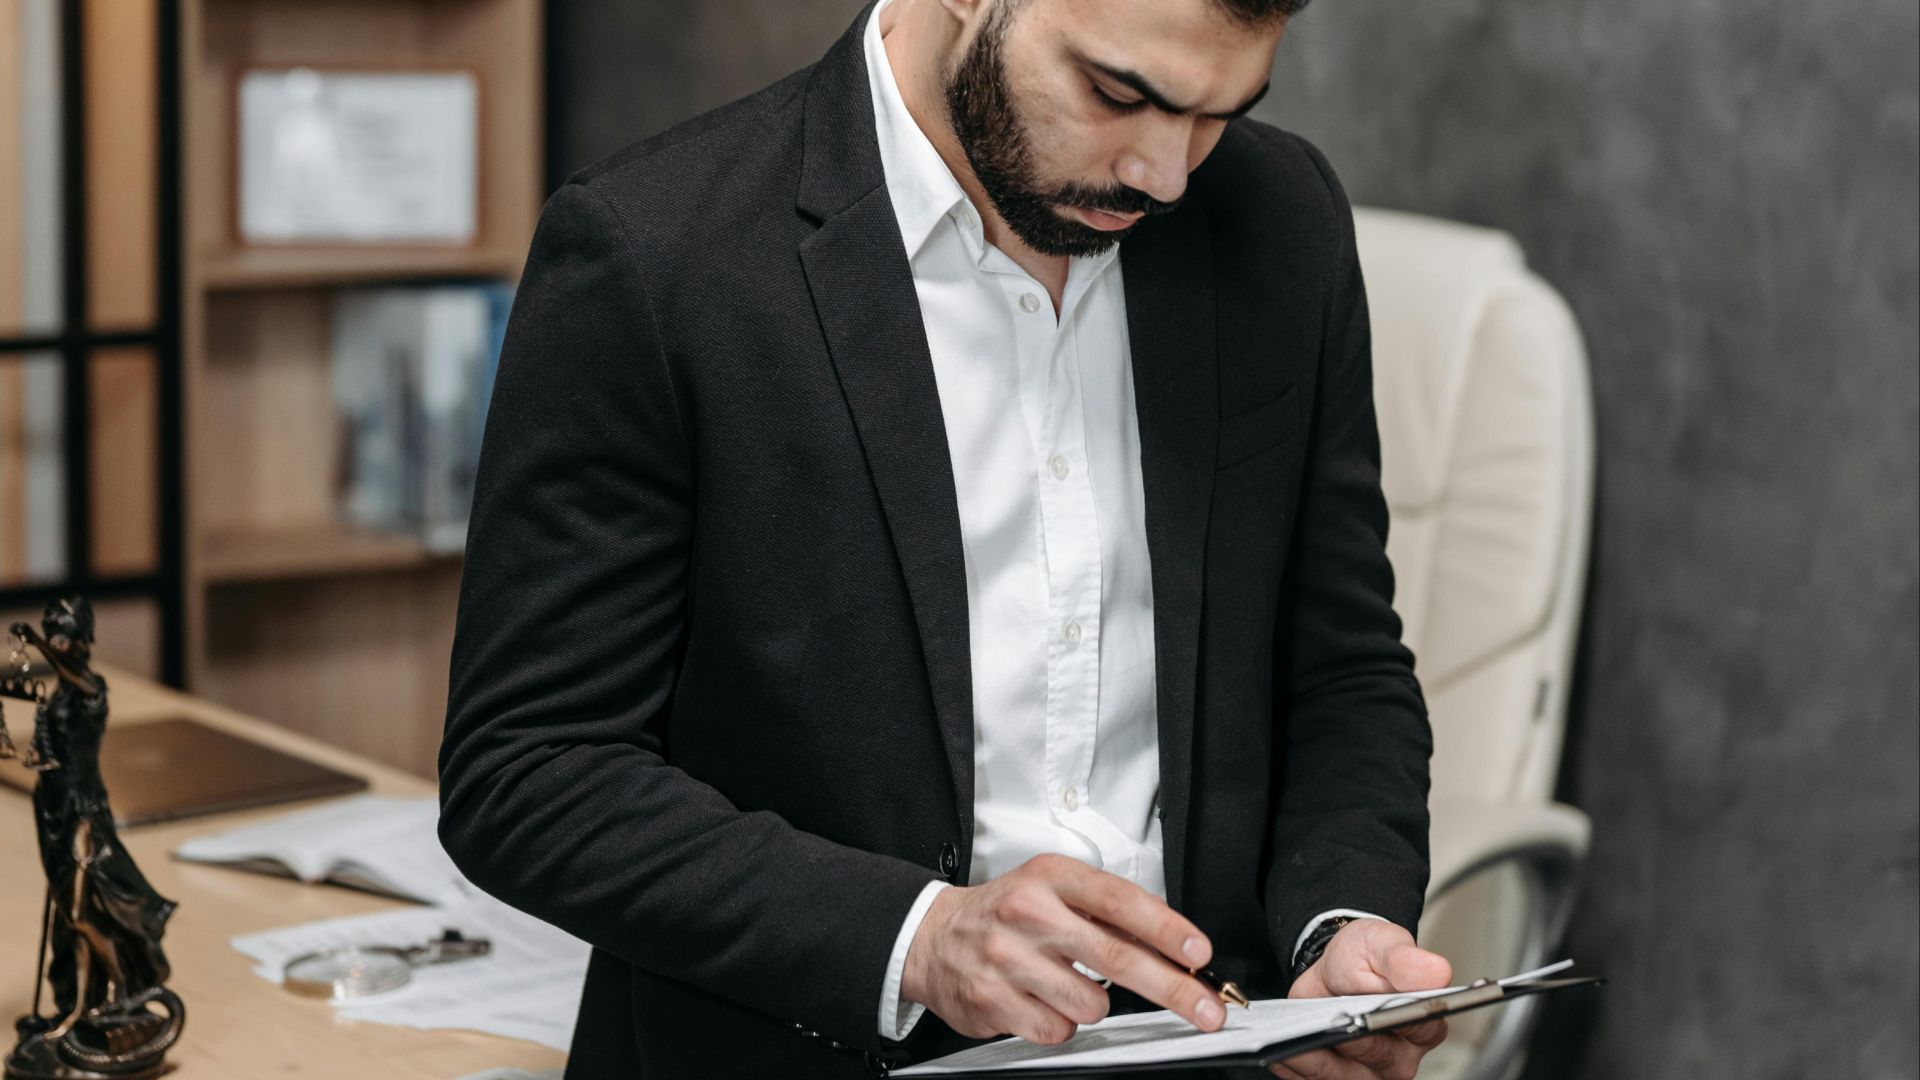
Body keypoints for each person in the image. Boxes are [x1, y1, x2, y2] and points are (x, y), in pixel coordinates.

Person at [438, 0, 1451, 1076]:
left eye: (1218, 114)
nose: (1166, 174)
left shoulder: (1282, 217)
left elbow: (1342, 664)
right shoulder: (655, 251)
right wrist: (915, 938)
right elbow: (528, 768)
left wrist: (1341, 927)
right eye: (1119, 92)